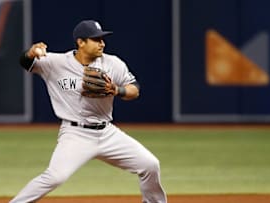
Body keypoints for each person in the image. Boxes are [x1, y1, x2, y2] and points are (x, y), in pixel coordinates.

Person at [10, 19, 167, 203]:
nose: (102, 43)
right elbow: (25, 62)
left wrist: (118, 90)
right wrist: (30, 52)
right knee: (55, 177)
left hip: (107, 133)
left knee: (150, 165)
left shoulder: (113, 63)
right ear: (81, 42)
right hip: (75, 134)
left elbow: (134, 89)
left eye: (102, 39)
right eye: (96, 39)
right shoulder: (56, 63)